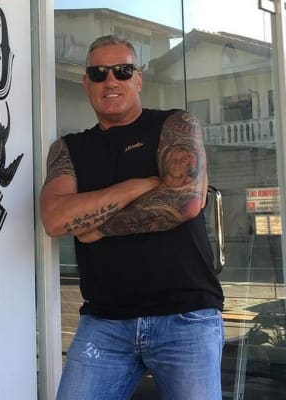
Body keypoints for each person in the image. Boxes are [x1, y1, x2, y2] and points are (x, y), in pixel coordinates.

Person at [40, 35, 225, 400]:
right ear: (86, 83)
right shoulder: (69, 148)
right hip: (104, 322)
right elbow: (55, 219)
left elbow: (185, 202)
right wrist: (137, 186)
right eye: (99, 73)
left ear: (138, 79)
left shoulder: (174, 125)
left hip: (185, 316)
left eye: (123, 71)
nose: (111, 80)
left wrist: (96, 225)